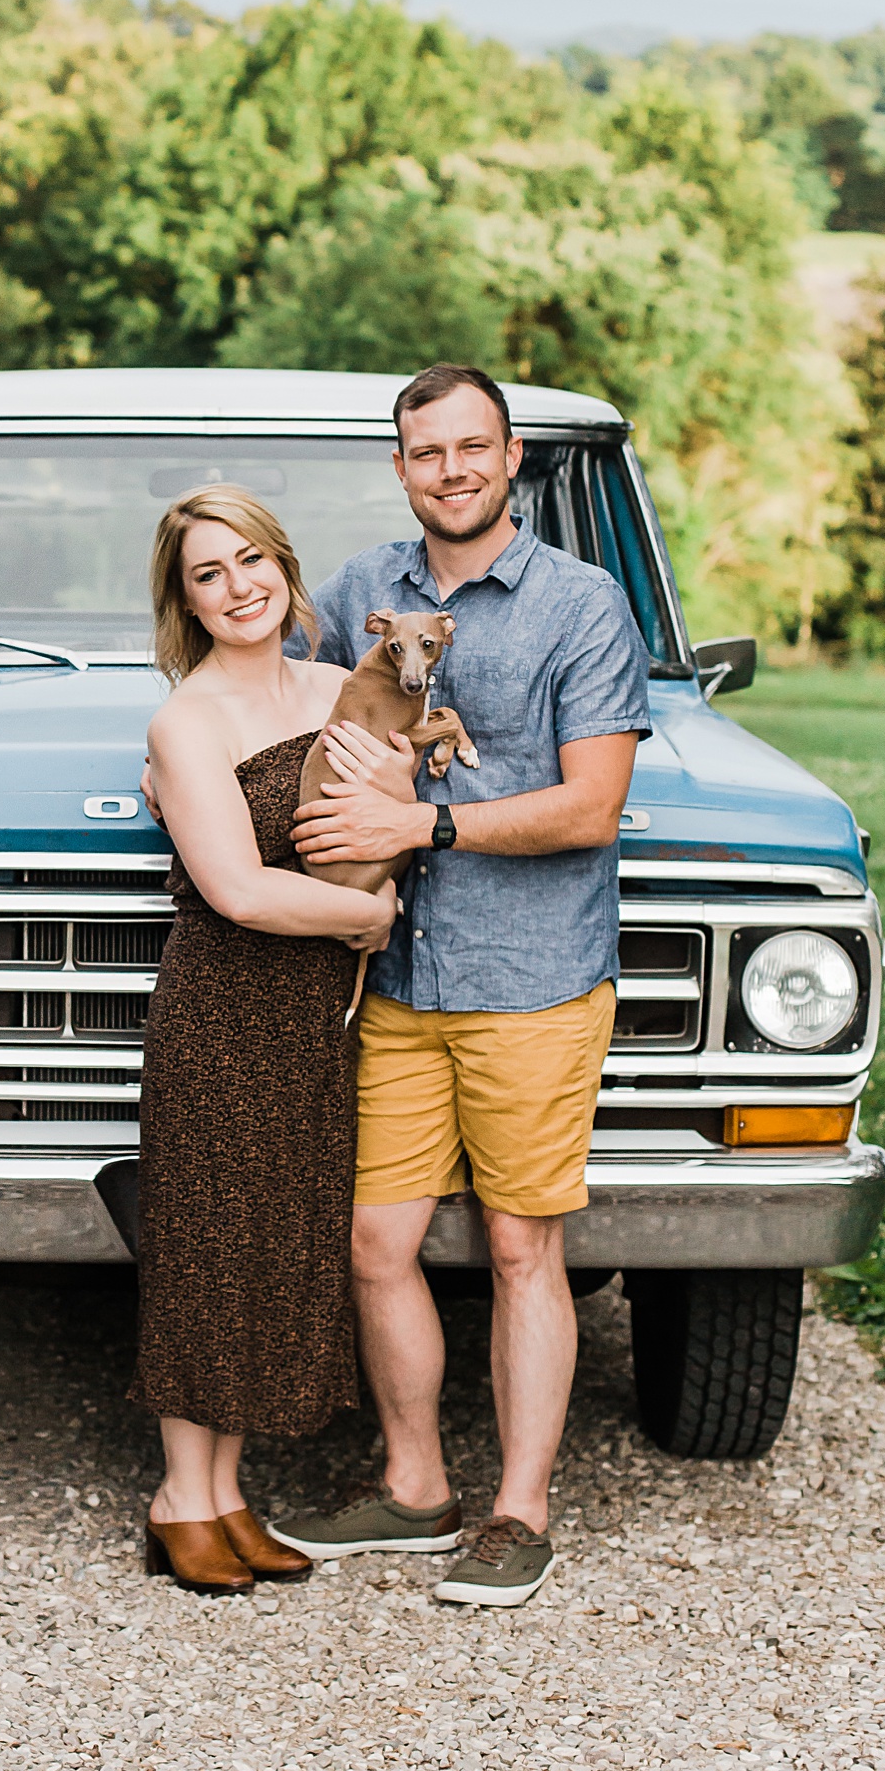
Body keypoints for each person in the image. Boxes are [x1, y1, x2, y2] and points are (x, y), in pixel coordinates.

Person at [268, 362, 650, 1609]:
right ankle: (416, 1484)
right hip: (394, 978)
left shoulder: (580, 605)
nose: (451, 470)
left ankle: (518, 1511)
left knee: (520, 1244)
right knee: (373, 1240)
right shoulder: (360, 590)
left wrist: (421, 822)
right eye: (426, 451)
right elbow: (274, 686)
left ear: (509, 457)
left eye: (472, 447)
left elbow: (591, 807)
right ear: (400, 467)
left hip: (529, 978)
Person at [133, 488, 408, 1595]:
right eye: (209, 573)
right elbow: (239, 891)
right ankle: (178, 1498)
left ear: (285, 571)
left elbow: (391, 817)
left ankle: (229, 1493)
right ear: (187, 602)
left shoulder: (340, 690)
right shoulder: (186, 722)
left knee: (273, 1250)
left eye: (251, 560)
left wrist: (387, 863)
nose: (237, 586)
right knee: (205, 1250)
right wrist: (367, 917)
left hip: (313, 1019)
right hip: (222, 1013)